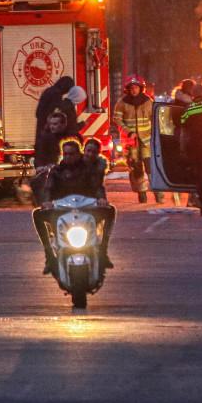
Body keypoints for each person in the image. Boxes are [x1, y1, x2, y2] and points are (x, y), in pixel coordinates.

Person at [32, 138, 115, 273]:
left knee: (110, 211)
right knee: (37, 214)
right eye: (66, 154)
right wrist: (46, 202)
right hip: (61, 210)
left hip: (86, 209)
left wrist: (101, 199)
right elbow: (48, 188)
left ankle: (103, 251)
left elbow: (97, 186)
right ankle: (49, 255)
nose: (68, 157)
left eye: (71, 154)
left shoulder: (88, 170)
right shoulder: (56, 171)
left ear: (78, 154)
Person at [114, 77, 154, 203]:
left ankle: (158, 191)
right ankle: (141, 193)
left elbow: (154, 118)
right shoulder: (122, 103)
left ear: (141, 88)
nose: (134, 90)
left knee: (150, 166)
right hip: (131, 142)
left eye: (136, 87)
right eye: (131, 88)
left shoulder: (148, 101)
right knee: (136, 168)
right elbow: (117, 120)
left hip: (147, 140)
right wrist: (128, 131)